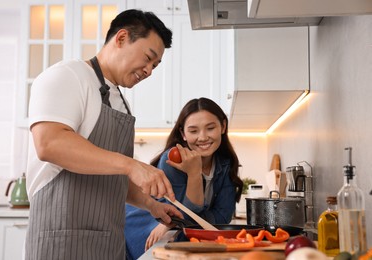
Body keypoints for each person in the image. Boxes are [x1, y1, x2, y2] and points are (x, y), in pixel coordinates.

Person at [25, 9, 183, 260]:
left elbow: (113, 177)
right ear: (121, 38)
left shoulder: (120, 101)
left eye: (155, 65)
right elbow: (50, 143)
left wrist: (153, 206)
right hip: (63, 240)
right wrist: (131, 165)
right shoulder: (68, 75)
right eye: (148, 58)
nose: (150, 70)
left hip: (107, 241)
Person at [125, 97, 244, 259]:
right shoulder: (173, 158)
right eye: (193, 131)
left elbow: (222, 217)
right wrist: (194, 173)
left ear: (223, 126)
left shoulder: (225, 164)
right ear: (183, 134)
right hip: (142, 231)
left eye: (210, 128)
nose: (202, 137)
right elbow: (182, 216)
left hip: (177, 236)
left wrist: (178, 222)